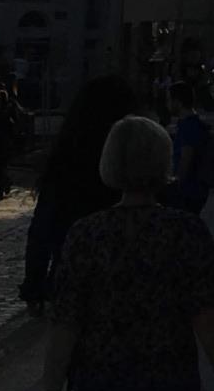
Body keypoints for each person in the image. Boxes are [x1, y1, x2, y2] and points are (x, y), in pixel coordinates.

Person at [41, 115, 214, 391]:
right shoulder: (185, 231)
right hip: (169, 389)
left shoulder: (85, 234)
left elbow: (65, 323)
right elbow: (208, 317)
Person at [20, 74, 136, 313]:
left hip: (72, 282)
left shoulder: (66, 162)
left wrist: (34, 285)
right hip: (131, 286)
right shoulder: (132, 161)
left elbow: (42, 231)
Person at [167, 81, 211, 215]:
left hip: (189, 190)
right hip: (194, 189)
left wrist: (176, 183)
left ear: (178, 102)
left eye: (169, 100)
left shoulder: (189, 126)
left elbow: (186, 157)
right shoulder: (192, 124)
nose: (167, 104)